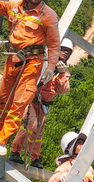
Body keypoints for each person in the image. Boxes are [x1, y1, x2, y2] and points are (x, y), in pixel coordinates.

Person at [0, 0, 60, 156]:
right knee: (4, 98)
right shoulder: (14, 6)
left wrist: (50, 67)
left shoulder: (48, 15)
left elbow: (54, 45)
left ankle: (2, 139)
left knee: (20, 102)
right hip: (14, 58)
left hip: (33, 62)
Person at [9, 38, 73, 166]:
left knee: (38, 130)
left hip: (42, 103)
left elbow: (63, 90)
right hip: (31, 99)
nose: (65, 53)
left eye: (68, 51)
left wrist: (61, 74)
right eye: (63, 49)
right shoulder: (46, 61)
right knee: (30, 124)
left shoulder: (63, 71)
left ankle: (34, 158)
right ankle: (15, 152)